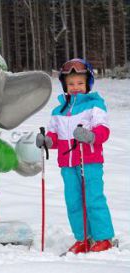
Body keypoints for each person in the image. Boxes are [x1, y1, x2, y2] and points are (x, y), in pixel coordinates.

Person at [36, 58, 114, 254]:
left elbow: (103, 130)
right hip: (67, 164)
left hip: (90, 162)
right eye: (71, 84)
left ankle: (103, 238)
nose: (75, 87)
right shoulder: (58, 111)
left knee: (93, 198)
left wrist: (91, 136)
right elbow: (54, 134)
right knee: (73, 201)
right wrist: (47, 140)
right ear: (65, 85)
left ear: (88, 83)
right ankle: (83, 238)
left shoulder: (95, 105)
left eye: (80, 83)